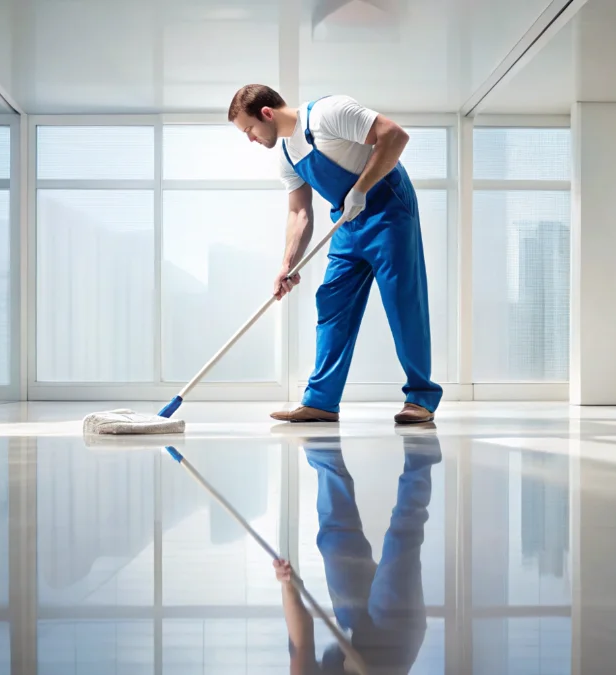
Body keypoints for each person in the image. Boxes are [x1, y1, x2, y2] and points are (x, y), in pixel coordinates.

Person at [228, 84, 442, 425]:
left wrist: (361, 189)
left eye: (249, 129)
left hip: (388, 211)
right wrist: (288, 264)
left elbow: (394, 136)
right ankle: (322, 401)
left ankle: (421, 398)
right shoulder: (287, 157)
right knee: (331, 303)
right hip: (346, 221)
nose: (251, 139)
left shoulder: (328, 113)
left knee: (403, 301)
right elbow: (299, 213)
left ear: (266, 113)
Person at [274, 433, 439, 674]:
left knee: (334, 541)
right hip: (396, 637)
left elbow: (300, 646)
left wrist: (287, 585)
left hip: (356, 628)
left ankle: (323, 452)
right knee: (401, 538)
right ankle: (421, 447)